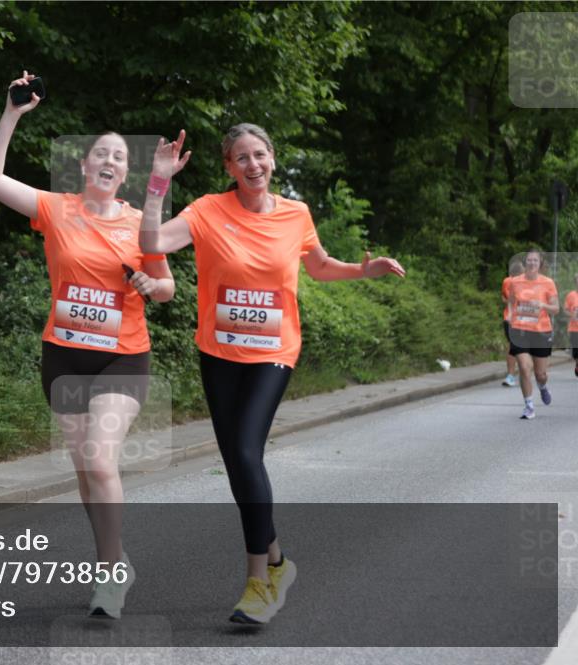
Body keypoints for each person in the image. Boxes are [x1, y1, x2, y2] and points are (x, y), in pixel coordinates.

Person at [139, 123, 405, 625]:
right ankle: (280, 562)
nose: (252, 165)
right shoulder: (207, 211)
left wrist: (361, 271)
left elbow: (320, 266)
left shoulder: (295, 214)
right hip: (218, 351)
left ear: (273, 159)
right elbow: (152, 241)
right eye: (241, 158)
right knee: (240, 466)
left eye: (259, 155)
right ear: (228, 168)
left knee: (244, 452)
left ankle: (258, 584)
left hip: (273, 351)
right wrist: (158, 182)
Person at [0, 72, 175, 618]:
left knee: (100, 459)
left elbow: (167, 289)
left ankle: (110, 575)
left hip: (123, 356)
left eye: (119, 157)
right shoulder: (56, 209)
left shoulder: (141, 224)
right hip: (62, 356)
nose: (109, 161)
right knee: (85, 469)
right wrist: (13, 113)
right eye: (100, 155)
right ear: (85, 166)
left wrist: (148, 283)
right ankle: (112, 559)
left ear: (124, 173)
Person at [506, 249, 559, 419]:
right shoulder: (515, 282)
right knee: (524, 367)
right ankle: (528, 405)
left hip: (541, 331)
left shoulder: (548, 283)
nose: (532, 263)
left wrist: (542, 305)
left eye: (535, 261)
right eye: (529, 260)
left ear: (540, 264)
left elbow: (556, 309)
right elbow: (511, 302)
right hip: (520, 330)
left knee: (540, 374)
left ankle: (543, 387)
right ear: (525, 262)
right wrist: (509, 316)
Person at [501, 261, 524, 386]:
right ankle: (518, 373)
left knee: (512, 346)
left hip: (508, 318)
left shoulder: (506, 281)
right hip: (520, 319)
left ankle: (511, 375)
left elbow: (504, 298)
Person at [567, 274, 578, 377]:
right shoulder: (571, 295)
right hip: (574, 328)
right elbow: (565, 310)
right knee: (576, 351)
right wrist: (572, 315)